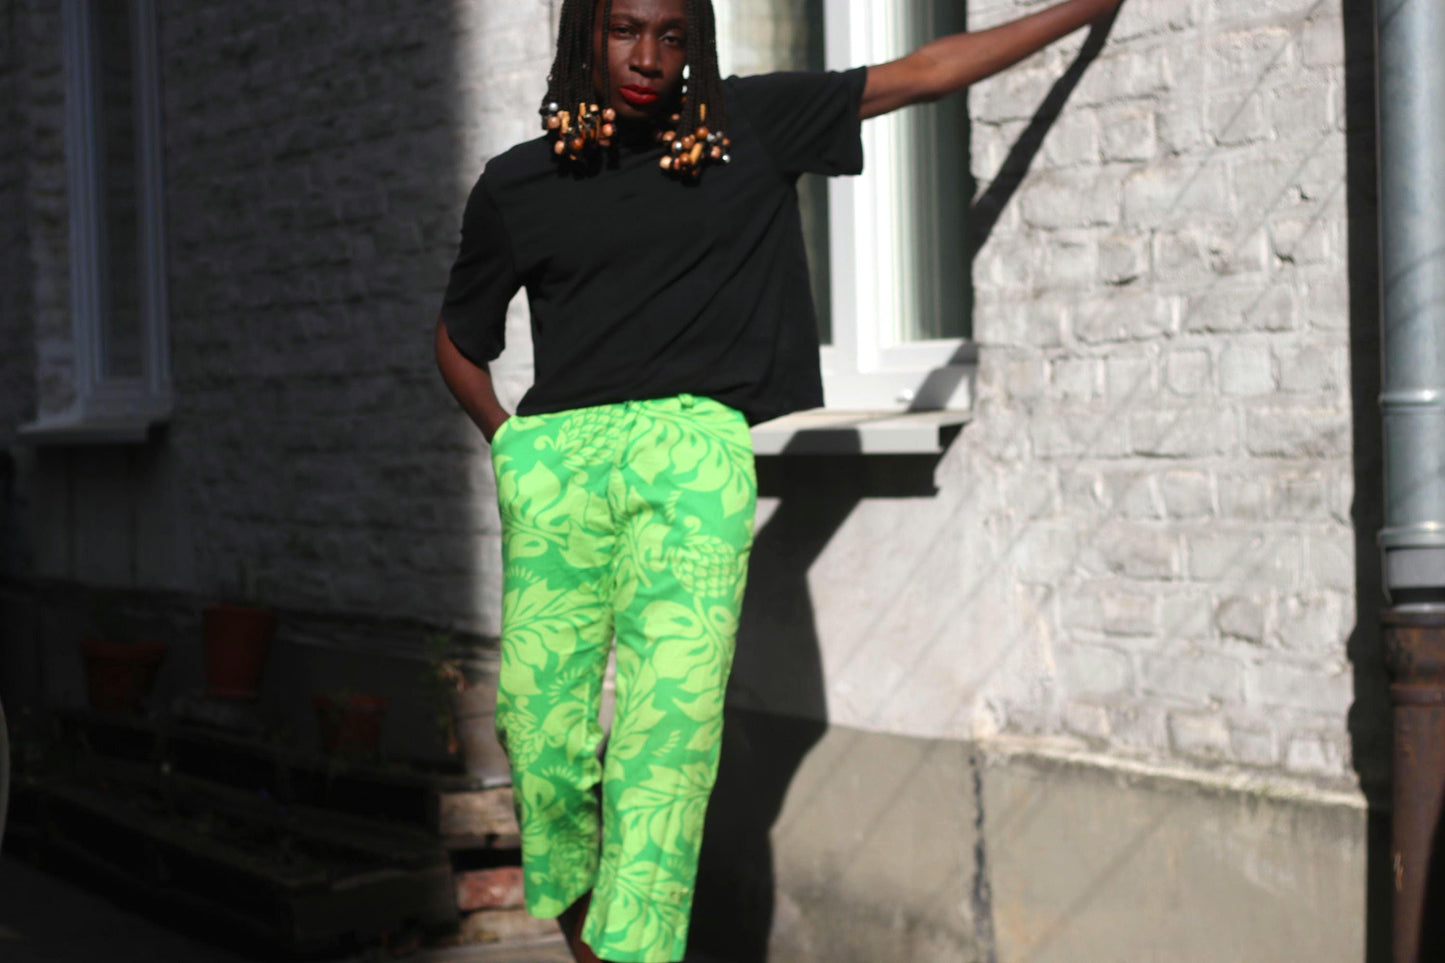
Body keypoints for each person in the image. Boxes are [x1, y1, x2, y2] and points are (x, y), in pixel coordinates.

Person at [435, 0, 1122, 959]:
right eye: (625, 29)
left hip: (693, 463)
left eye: (672, 36)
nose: (648, 56)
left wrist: (1084, 8)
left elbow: (923, 72)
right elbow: (459, 340)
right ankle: (592, 942)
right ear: (583, 33)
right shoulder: (517, 184)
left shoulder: (743, 128)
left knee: (662, 748)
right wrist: (510, 446)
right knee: (539, 738)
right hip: (560, 464)